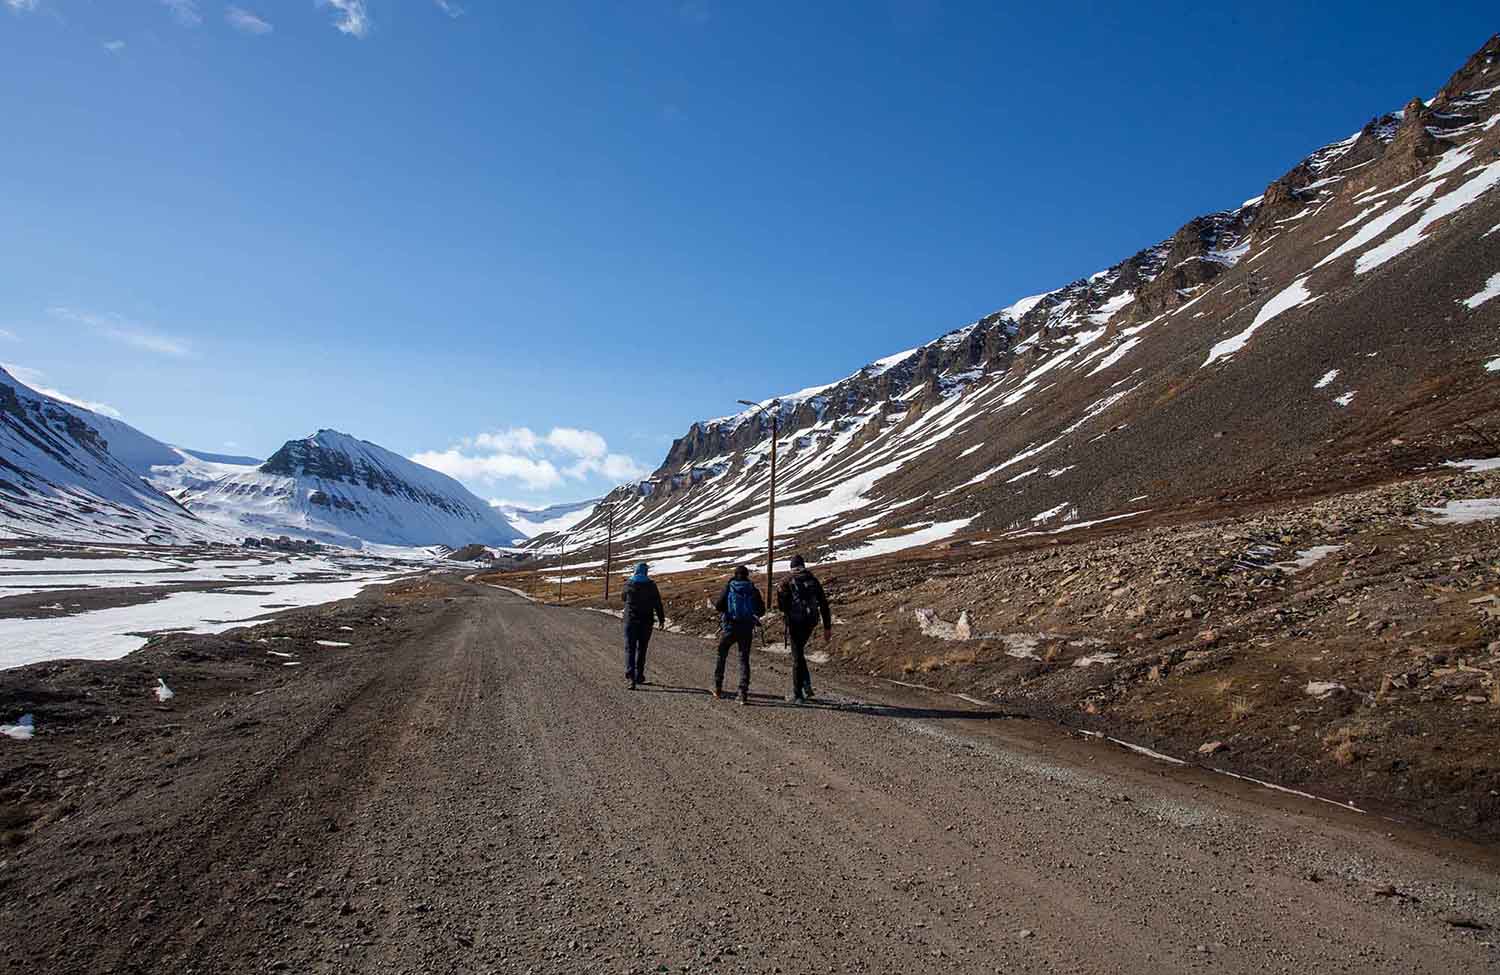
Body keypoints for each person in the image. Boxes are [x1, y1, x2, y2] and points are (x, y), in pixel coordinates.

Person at [775, 555, 832, 704]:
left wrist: (781, 594)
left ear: (792, 567)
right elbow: (824, 604)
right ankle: (806, 686)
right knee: (799, 653)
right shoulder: (812, 579)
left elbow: (782, 607)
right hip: (811, 621)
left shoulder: (786, 581)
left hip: (795, 623)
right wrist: (827, 627)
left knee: (797, 657)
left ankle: (797, 694)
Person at [712, 565, 764, 705]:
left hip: (730, 627)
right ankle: (742, 693)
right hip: (746, 628)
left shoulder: (730, 586)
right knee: (743, 659)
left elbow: (718, 606)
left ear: (735, 575)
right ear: (747, 575)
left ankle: (718, 688)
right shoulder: (752, 589)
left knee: (721, 654)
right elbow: (761, 611)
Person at [620, 562, 665, 689]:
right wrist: (661, 619)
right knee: (642, 648)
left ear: (635, 571)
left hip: (631, 621)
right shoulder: (651, 585)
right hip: (646, 622)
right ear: (646, 572)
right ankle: (639, 675)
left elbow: (623, 598)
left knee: (630, 648)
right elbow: (658, 603)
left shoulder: (629, 583)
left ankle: (631, 677)